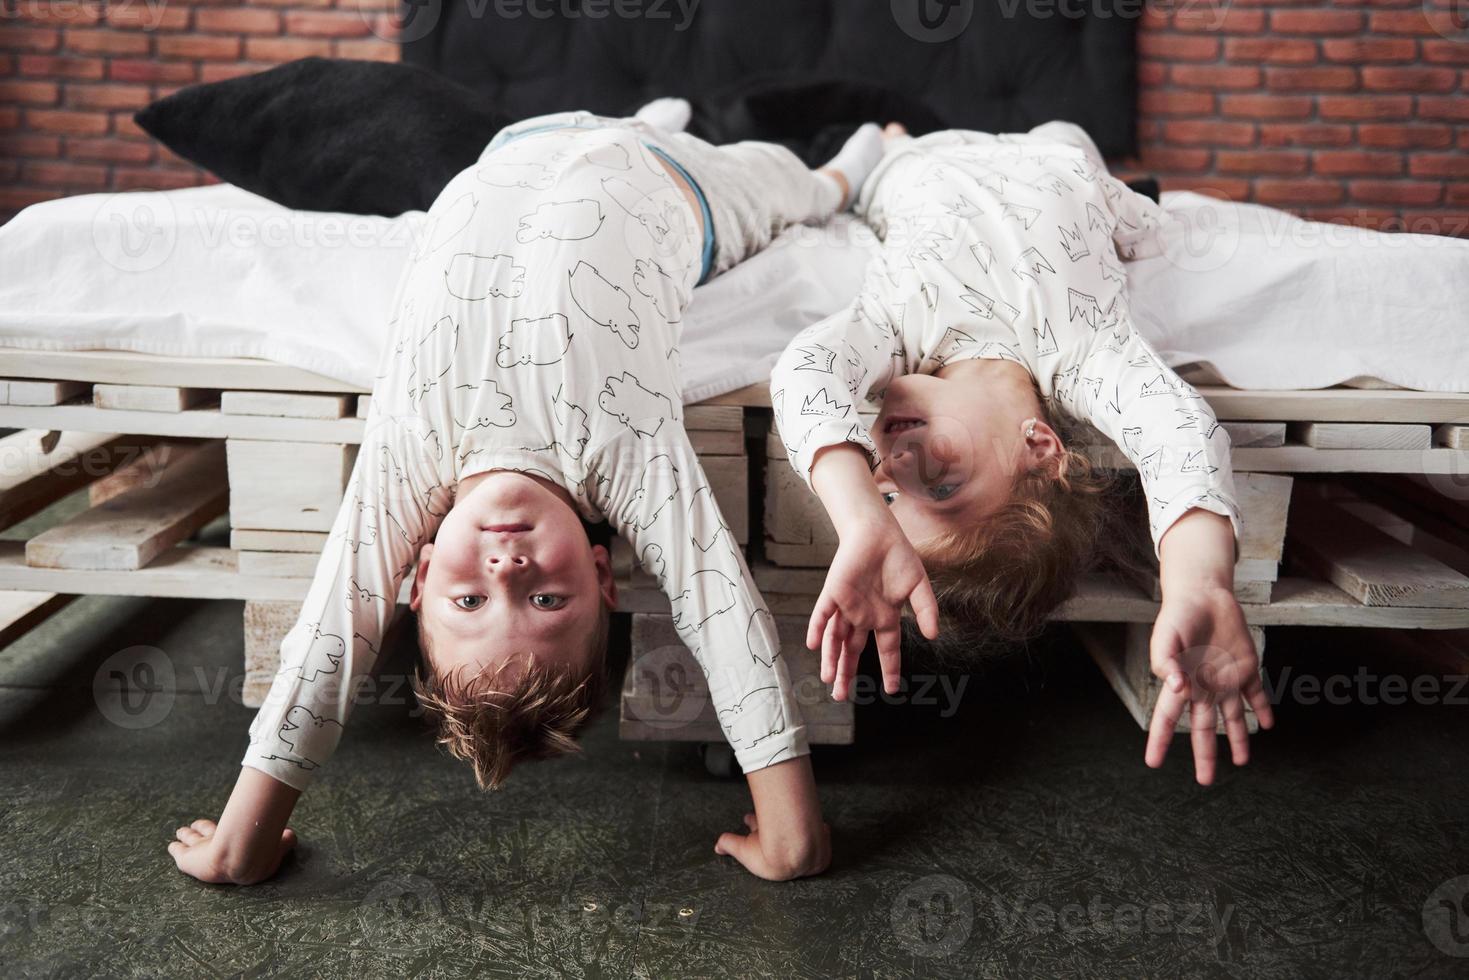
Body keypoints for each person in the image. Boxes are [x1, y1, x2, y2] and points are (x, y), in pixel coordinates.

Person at [167, 104, 888, 884]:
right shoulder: (620, 449)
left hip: (521, 142)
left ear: (416, 575)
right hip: (682, 187)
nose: (508, 572)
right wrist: (792, 834)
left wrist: (244, 839)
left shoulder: (413, 449)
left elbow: (330, 636)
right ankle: (864, 153)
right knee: (806, 189)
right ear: (604, 576)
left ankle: (659, 115)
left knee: (666, 129)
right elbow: (719, 609)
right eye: (548, 602)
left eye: (468, 603)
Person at [769, 122, 1273, 786]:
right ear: (1038, 446)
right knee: (1078, 147)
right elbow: (1175, 428)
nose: (891, 463)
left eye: (887, 492)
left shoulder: (893, 331)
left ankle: (888, 136)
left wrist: (860, 519)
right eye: (941, 487)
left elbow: (805, 368)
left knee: (875, 145)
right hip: (1052, 153)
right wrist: (1200, 579)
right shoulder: (1082, 353)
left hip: (920, 158)